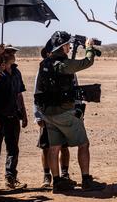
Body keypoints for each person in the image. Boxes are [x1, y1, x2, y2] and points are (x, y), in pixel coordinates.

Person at [34, 31, 105, 192]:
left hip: (48, 113)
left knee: (54, 147)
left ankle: (57, 182)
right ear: (62, 46)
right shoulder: (63, 65)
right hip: (64, 113)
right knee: (83, 144)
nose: (69, 47)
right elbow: (87, 62)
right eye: (67, 45)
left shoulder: (45, 64)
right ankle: (86, 180)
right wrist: (89, 48)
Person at [34, 42, 75, 189]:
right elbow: (37, 93)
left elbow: (74, 90)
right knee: (46, 146)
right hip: (47, 113)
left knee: (64, 146)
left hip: (65, 112)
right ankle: (47, 176)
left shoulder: (67, 69)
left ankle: (64, 174)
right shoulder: (43, 69)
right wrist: (38, 116)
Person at [0, 45, 28, 190]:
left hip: (13, 116)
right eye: (10, 52)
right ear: (3, 55)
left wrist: (24, 114)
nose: (13, 54)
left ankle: (10, 178)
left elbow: (19, 94)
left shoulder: (16, 72)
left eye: (13, 52)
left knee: (13, 149)